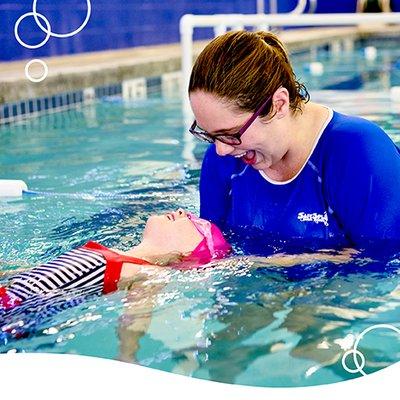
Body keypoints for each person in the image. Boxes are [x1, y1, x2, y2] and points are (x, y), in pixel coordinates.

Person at [188, 30, 400, 249]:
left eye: (231, 134)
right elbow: (215, 253)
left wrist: (276, 265)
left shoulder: (359, 152)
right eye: (210, 135)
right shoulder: (221, 158)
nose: (221, 150)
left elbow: (384, 266)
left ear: (278, 104)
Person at [0, 209, 231, 312]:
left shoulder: (147, 272)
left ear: (188, 253)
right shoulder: (114, 252)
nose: (182, 211)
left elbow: (136, 314)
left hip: (14, 314)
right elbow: (42, 274)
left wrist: (127, 355)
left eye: (192, 221)